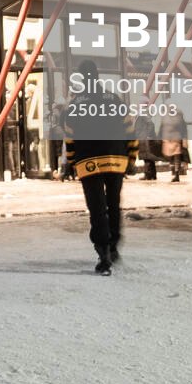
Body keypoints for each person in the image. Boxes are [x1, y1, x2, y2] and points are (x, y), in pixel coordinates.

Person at [62, 61, 138, 276]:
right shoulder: (114, 99)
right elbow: (130, 131)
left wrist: (71, 162)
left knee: (97, 208)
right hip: (116, 159)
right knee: (113, 204)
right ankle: (113, 246)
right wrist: (131, 158)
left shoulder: (75, 104)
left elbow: (69, 139)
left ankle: (103, 255)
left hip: (88, 162)